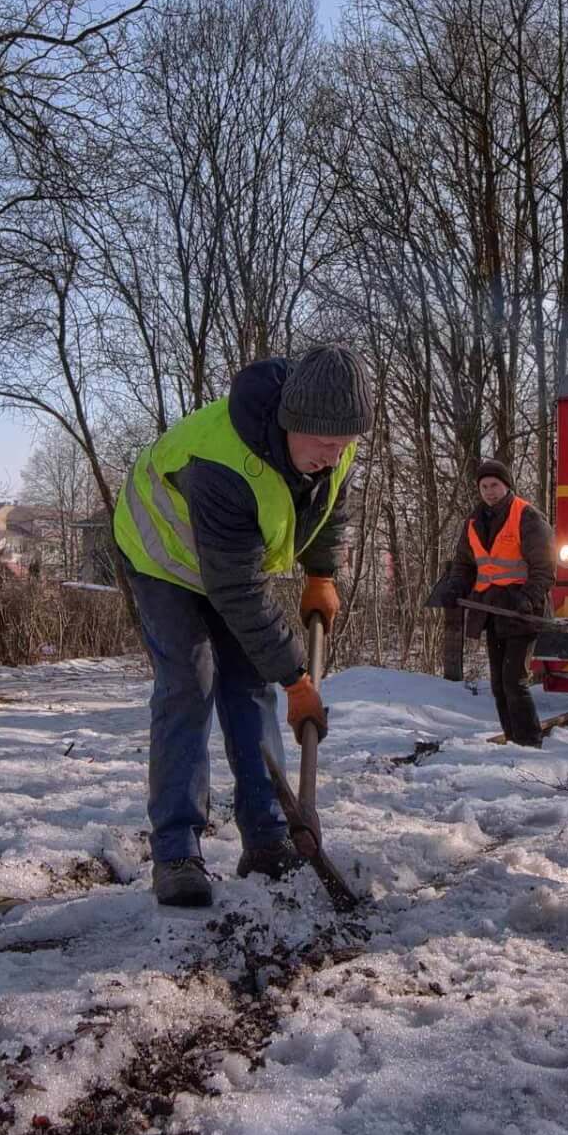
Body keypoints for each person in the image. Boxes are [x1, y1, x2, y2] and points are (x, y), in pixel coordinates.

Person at [113, 344, 370, 907]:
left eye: (343, 445)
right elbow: (236, 591)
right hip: (165, 559)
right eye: (323, 444)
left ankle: (269, 835)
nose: (332, 456)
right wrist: (297, 679)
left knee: (248, 683)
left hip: (226, 565)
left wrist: (322, 571)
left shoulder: (333, 446)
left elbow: (331, 506)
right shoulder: (223, 463)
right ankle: (177, 850)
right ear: (287, 423)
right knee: (191, 682)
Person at [442, 459, 555, 748]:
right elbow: (464, 565)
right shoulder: (473, 522)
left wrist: (528, 597)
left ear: (507, 486)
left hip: (523, 611)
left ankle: (529, 743)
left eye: (495, 485)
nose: (490, 491)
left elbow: (544, 567)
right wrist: (454, 588)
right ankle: (513, 740)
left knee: (514, 680)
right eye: (484, 487)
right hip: (492, 612)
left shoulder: (527, 517)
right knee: (498, 685)